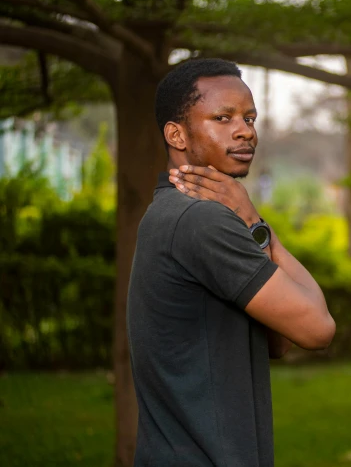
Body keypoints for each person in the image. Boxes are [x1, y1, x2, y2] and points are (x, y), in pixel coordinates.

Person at [127, 58, 335, 467]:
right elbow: (317, 329)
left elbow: (280, 339)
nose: (245, 131)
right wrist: (255, 222)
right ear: (177, 134)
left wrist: (251, 223)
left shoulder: (170, 210)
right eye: (222, 118)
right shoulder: (202, 220)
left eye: (249, 117)